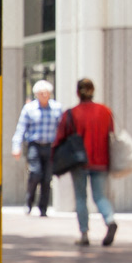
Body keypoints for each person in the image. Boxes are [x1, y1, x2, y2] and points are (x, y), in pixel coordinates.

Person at [53, 77, 117, 246]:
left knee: (81, 198)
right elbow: (111, 134)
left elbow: (60, 137)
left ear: (77, 92)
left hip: (79, 161)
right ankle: (110, 220)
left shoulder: (71, 113)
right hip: (101, 161)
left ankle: (84, 235)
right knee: (100, 196)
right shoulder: (105, 112)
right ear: (93, 91)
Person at [11, 79, 61, 216]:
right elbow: (21, 129)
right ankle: (29, 201)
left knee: (47, 178)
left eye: (47, 93)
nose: (44, 95)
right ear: (36, 94)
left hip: (50, 147)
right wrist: (16, 146)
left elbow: (61, 129)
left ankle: (43, 208)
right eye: (41, 93)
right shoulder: (29, 109)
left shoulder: (57, 108)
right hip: (34, 146)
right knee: (35, 173)